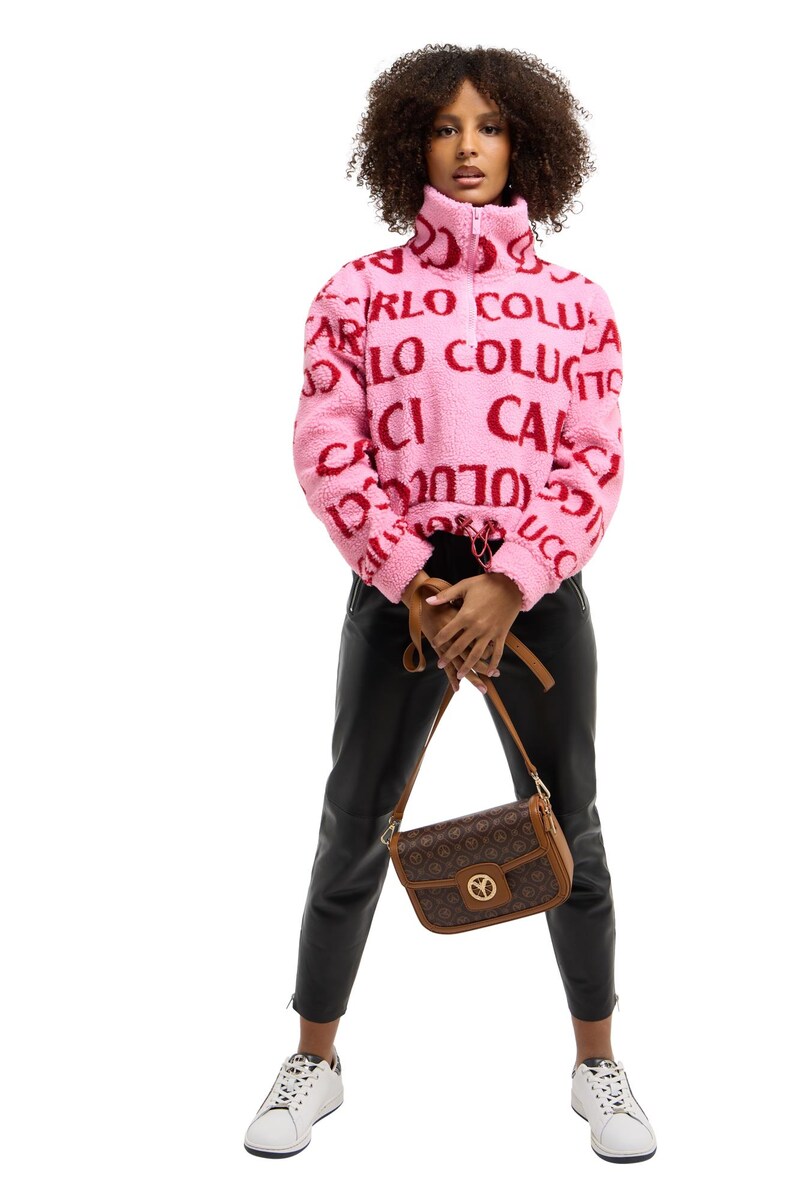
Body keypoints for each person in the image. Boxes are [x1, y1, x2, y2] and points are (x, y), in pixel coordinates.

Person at [244, 44, 657, 1164]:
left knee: (569, 822)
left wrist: (512, 578)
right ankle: (314, 1060)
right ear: (408, 146)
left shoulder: (577, 305)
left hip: (536, 592)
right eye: (443, 127)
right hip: (405, 593)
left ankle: (597, 1064)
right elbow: (327, 446)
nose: (467, 148)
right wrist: (409, 578)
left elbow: (593, 459)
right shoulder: (356, 293)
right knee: (354, 821)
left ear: (526, 143)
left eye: (489, 126)